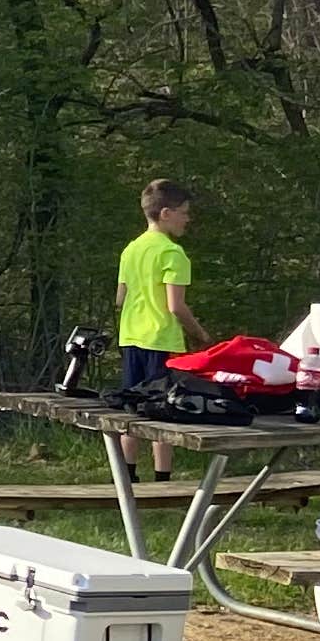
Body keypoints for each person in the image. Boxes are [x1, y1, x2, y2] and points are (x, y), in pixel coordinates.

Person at [116, 179, 196, 472]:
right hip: (161, 339)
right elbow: (176, 306)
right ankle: (162, 478)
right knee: (163, 410)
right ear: (166, 213)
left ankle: (128, 475)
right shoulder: (173, 253)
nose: (187, 218)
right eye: (184, 212)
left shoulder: (131, 249)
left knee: (131, 410)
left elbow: (120, 298)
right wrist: (201, 335)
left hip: (131, 337)